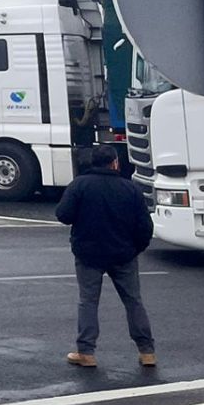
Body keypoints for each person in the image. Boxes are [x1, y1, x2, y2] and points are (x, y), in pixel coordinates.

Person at [55, 144, 157, 370]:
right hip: (123, 253)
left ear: (93, 162)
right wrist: (135, 248)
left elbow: (63, 215)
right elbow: (145, 226)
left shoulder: (79, 185)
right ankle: (147, 351)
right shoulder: (129, 189)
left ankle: (86, 352)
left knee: (88, 301)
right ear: (115, 163)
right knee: (133, 301)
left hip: (89, 253)